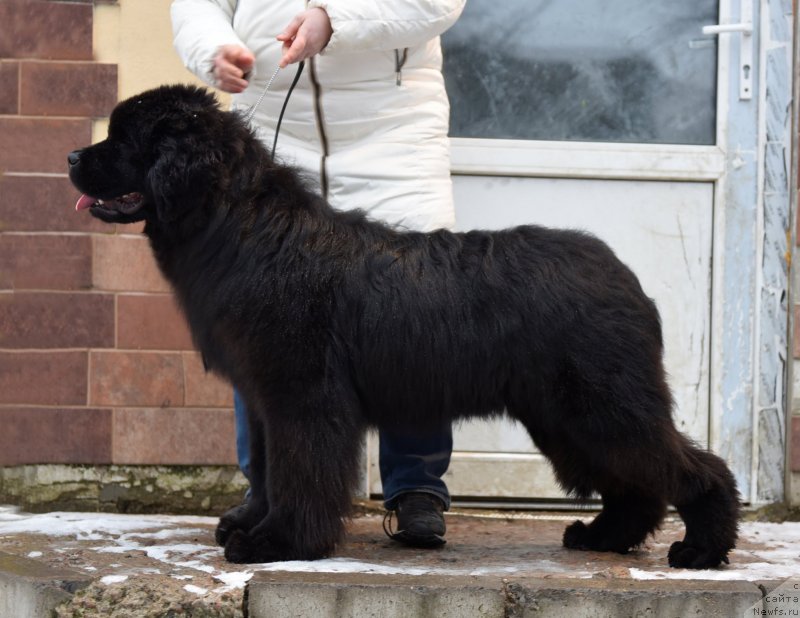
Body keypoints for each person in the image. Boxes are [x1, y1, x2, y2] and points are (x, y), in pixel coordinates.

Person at [171, 0, 465, 547]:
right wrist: (214, 49)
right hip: (277, 139)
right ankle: (269, 491)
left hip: (392, 141)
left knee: (414, 317)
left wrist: (336, 20)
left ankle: (416, 487)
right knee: (260, 321)